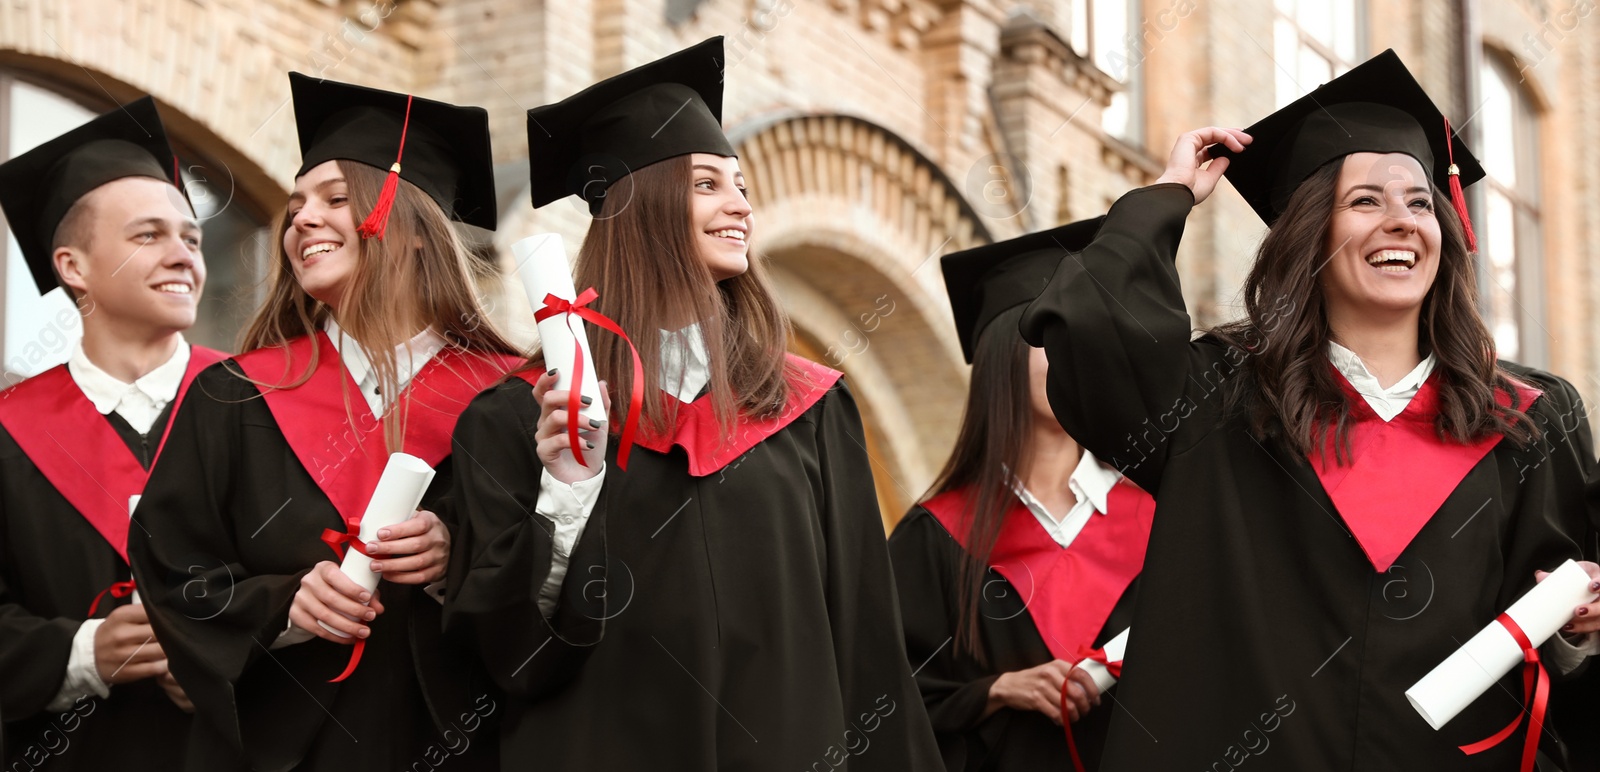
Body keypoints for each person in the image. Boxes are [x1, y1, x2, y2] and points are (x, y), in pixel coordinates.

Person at [1016, 49, 1600, 770]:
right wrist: (1167, 197)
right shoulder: (1216, 399)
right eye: (1366, 201)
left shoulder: (1530, 421)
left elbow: (1565, 622)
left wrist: (1583, 628)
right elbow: (1092, 337)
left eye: (1421, 202)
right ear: (1310, 232)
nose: (1401, 221)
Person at [444, 37, 942, 770]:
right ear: (642, 206)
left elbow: (866, 643)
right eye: (709, 183)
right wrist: (568, 490)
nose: (740, 205)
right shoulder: (521, 418)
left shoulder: (808, 410)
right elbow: (506, 659)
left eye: (741, 186)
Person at [127, 74, 521, 770]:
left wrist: (456, 554)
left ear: (416, 229)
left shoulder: (512, 399)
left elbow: (561, 583)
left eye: (336, 199)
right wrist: (283, 608)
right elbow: (172, 575)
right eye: (296, 205)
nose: (301, 219)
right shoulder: (235, 398)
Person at [889, 217, 1156, 771]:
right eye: (1051, 335)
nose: (1076, 355)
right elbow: (884, 698)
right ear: (1003, 356)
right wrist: (995, 691)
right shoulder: (933, 537)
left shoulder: (1160, 520)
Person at [0, 97, 218, 771]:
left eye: (192, 237)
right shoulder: (10, 432)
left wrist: (229, 653)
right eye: (148, 235)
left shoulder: (263, 407)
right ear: (74, 267)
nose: (183, 254)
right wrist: (84, 654)